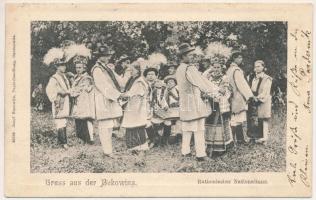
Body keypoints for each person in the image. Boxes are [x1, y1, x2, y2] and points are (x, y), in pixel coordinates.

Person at [176, 43, 218, 162]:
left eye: (193, 55)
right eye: (190, 55)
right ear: (183, 56)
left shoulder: (179, 68)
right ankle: (200, 154)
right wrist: (216, 91)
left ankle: (185, 151)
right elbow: (201, 82)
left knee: (187, 127)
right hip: (193, 102)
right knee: (199, 128)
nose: (192, 57)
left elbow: (199, 81)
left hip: (185, 101)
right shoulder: (190, 68)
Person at [91, 45, 123, 158]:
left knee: (109, 125)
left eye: (108, 55)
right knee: (105, 125)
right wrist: (117, 95)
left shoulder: (106, 68)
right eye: (105, 55)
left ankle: (108, 150)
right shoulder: (97, 69)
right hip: (103, 98)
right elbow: (102, 85)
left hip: (110, 98)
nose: (108, 57)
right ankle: (107, 151)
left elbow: (118, 80)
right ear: (100, 57)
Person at [203, 62, 233, 156]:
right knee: (209, 124)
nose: (216, 69)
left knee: (220, 124)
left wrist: (222, 92)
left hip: (220, 105)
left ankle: (220, 147)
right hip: (210, 104)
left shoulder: (225, 78)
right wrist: (207, 94)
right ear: (211, 68)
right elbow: (204, 89)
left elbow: (227, 91)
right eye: (214, 67)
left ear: (221, 68)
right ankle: (209, 146)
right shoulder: (208, 78)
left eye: (218, 67)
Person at [44, 48, 71, 149]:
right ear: (57, 67)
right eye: (61, 65)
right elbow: (49, 90)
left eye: (64, 65)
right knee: (60, 121)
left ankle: (62, 141)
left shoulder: (64, 77)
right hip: (58, 101)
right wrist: (59, 92)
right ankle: (63, 142)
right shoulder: (54, 78)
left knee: (63, 120)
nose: (64, 67)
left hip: (65, 100)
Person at [225, 51, 254, 144]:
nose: (241, 59)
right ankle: (233, 140)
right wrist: (249, 96)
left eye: (241, 57)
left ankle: (239, 139)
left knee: (235, 118)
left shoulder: (229, 69)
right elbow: (242, 85)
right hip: (237, 96)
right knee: (236, 118)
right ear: (234, 59)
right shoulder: (236, 70)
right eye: (239, 58)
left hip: (231, 96)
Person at [121, 62, 149, 152]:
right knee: (131, 124)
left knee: (136, 124)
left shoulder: (139, 81)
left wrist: (122, 95)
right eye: (130, 70)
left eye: (132, 70)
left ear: (137, 71)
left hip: (137, 106)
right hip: (132, 105)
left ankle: (139, 146)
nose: (130, 72)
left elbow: (134, 93)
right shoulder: (133, 79)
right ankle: (132, 145)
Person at [69, 54, 95, 145]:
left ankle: (89, 139)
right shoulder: (76, 77)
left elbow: (79, 90)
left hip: (85, 101)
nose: (78, 69)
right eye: (76, 67)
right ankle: (81, 138)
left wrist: (72, 92)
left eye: (80, 67)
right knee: (79, 120)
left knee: (86, 119)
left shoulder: (87, 78)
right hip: (78, 101)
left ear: (84, 68)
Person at [247, 60, 272, 144]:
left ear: (263, 67)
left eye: (258, 66)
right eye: (255, 66)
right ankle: (253, 137)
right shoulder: (251, 77)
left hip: (262, 100)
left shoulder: (267, 78)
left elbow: (265, 92)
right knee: (252, 119)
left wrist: (257, 98)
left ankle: (264, 138)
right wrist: (251, 97)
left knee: (263, 118)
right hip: (253, 100)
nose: (256, 68)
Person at [163, 75, 181, 145]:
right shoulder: (166, 91)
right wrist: (165, 106)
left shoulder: (177, 89)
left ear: (175, 83)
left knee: (178, 123)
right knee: (168, 122)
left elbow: (181, 98)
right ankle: (166, 139)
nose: (170, 83)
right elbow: (163, 99)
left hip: (177, 108)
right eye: (168, 82)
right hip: (169, 109)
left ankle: (177, 137)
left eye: (172, 82)